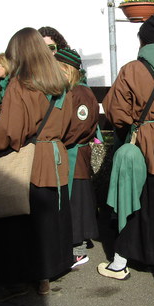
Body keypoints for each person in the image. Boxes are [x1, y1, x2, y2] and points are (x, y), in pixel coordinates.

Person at [0, 27, 74, 299]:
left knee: (19, 223)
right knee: (49, 219)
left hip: (31, 159)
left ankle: (18, 280)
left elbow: (10, 131)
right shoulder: (61, 82)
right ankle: (45, 275)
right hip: (56, 157)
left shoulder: (21, 84)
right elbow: (68, 126)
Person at [100, 15, 154, 283]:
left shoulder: (131, 70)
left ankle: (120, 263)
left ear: (143, 41)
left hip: (141, 146)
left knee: (133, 201)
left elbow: (116, 112)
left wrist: (134, 128)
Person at [54, 47, 100, 268]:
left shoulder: (80, 93)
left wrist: (59, 139)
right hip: (70, 153)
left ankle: (78, 250)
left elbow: (79, 126)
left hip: (75, 155)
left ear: (67, 70)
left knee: (77, 204)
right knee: (73, 202)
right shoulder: (72, 91)